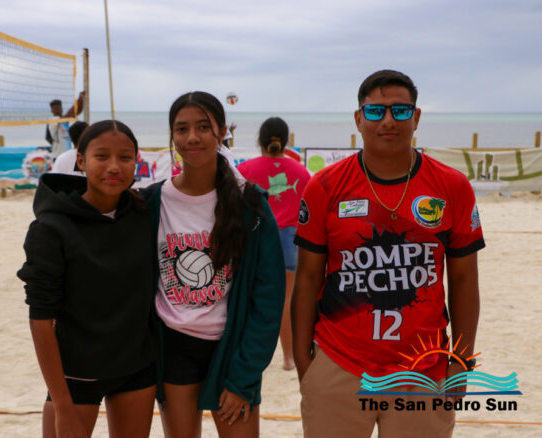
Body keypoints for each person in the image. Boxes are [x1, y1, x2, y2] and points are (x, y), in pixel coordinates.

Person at [292, 70, 485, 438]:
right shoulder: (325, 186)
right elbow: (307, 278)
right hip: (340, 363)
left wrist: (461, 361)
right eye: (376, 111)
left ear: (416, 117)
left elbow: (463, 280)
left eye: (400, 110)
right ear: (358, 118)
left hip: (423, 369)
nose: (388, 121)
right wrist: (305, 362)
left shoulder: (452, 186)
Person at [142, 91, 285, 438]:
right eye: (182, 129)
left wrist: (244, 376)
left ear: (222, 132)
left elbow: (268, 298)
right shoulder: (152, 201)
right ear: (172, 136)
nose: (192, 137)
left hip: (231, 348)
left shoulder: (250, 204)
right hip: (173, 346)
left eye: (203, 127)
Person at [18, 120, 157, 438]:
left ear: (137, 162)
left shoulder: (143, 212)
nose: (114, 166)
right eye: (101, 156)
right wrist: (62, 408)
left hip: (136, 368)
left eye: (125, 157)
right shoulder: (50, 228)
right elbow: (41, 320)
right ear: (81, 160)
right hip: (75, 375)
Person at [237, 117, 311, 371]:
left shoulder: (245, 169)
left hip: (257, 236)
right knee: (286, 301)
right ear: (286, 141)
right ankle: (289, 358)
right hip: (290, 239)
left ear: (260, 140)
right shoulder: (301, 171)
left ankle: (248, 354)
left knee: (250, 298)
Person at [46, 91, 85, 157]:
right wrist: (80, 98)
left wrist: (81, 99)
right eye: (55, 109)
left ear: (61, 109)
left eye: (58, 108)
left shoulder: (66, 121)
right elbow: (71, 113)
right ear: (52, 111)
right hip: (57, 156)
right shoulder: (52, 120)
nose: (57, 110)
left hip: (67, 154)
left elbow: (77, 111)